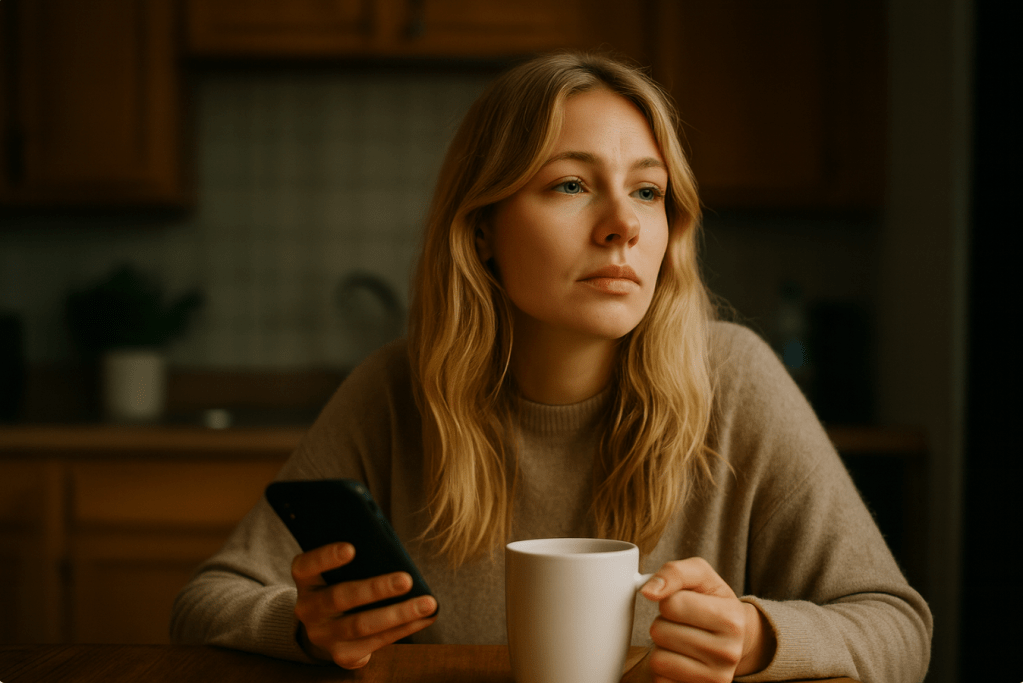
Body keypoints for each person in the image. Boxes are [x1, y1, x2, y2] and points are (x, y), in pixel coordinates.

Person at [170, 52, 932, 683]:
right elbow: (206, 601)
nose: (623, 226)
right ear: (479, 235)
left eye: (647, 190)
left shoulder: (733, 377)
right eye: (570, 184)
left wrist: (760, 636)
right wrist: (304, 626)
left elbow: (899, 627)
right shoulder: (395, 390)